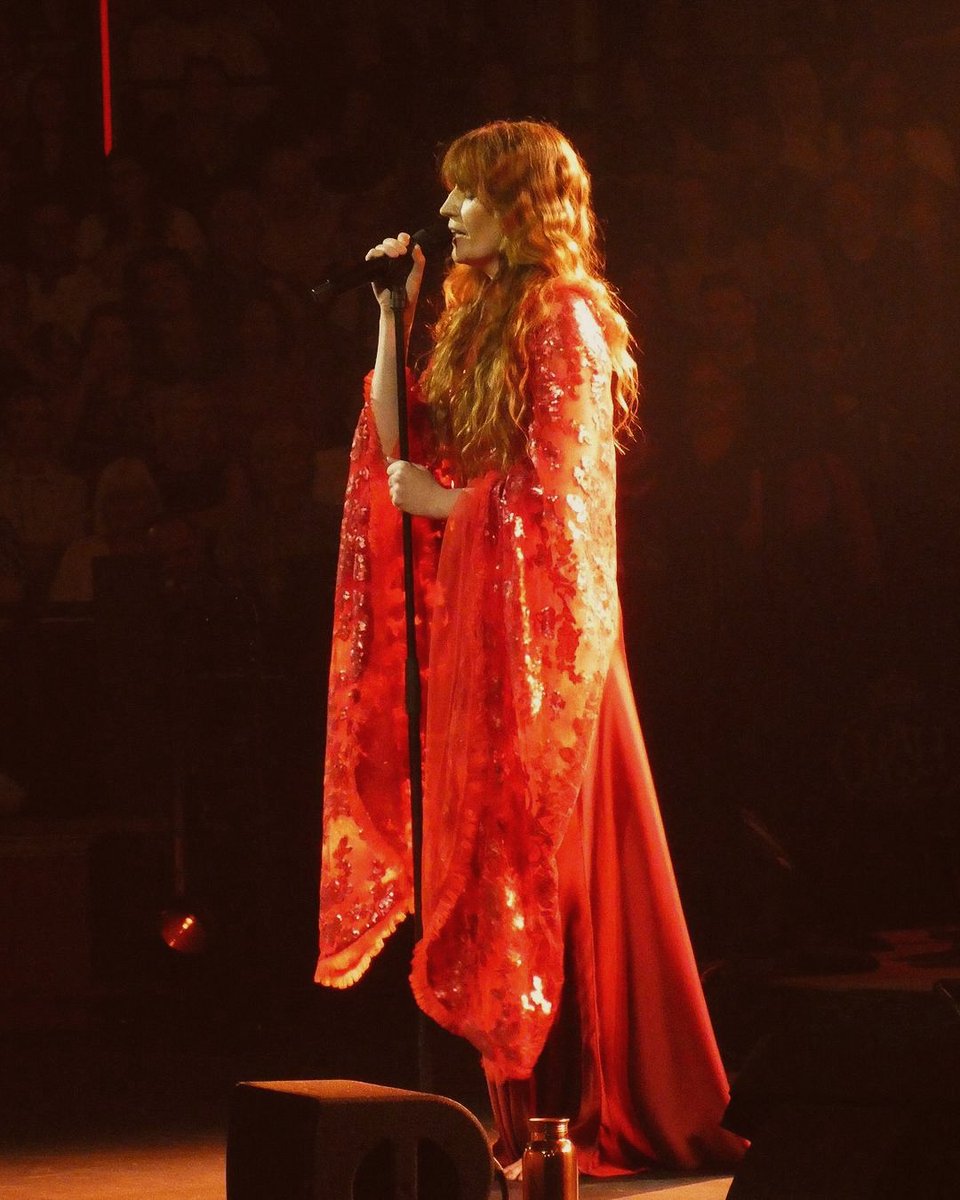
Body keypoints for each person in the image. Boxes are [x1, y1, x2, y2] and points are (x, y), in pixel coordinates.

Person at [314, 120, 746, 1176]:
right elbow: (393, 441)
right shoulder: (472, 315)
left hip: (550, 647)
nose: (449, 213)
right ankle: (527, 1114)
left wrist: (454, 504)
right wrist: (392, 315)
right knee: (491, 860)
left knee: (553, 869)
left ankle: (595, 1106)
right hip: (479, 628)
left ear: (522, 207)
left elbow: (565, 500)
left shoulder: (564, 319)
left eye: (469, 195)